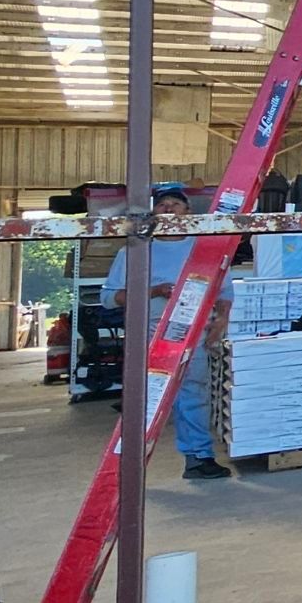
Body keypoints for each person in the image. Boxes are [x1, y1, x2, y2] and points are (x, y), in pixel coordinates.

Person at [101, 182, 230, 482]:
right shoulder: (136, 249)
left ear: (187, 211)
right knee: (146, 400)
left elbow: (223, 289)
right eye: (162, 205)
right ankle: (126, 463)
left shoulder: (203, 247)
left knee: (193, 395)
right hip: (150, 333)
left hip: (193, 331)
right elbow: (109, 297)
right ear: (153, 213)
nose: (169, 208)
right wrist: (154, 291)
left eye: (175, 204)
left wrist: (221, 318)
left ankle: (199, 458)